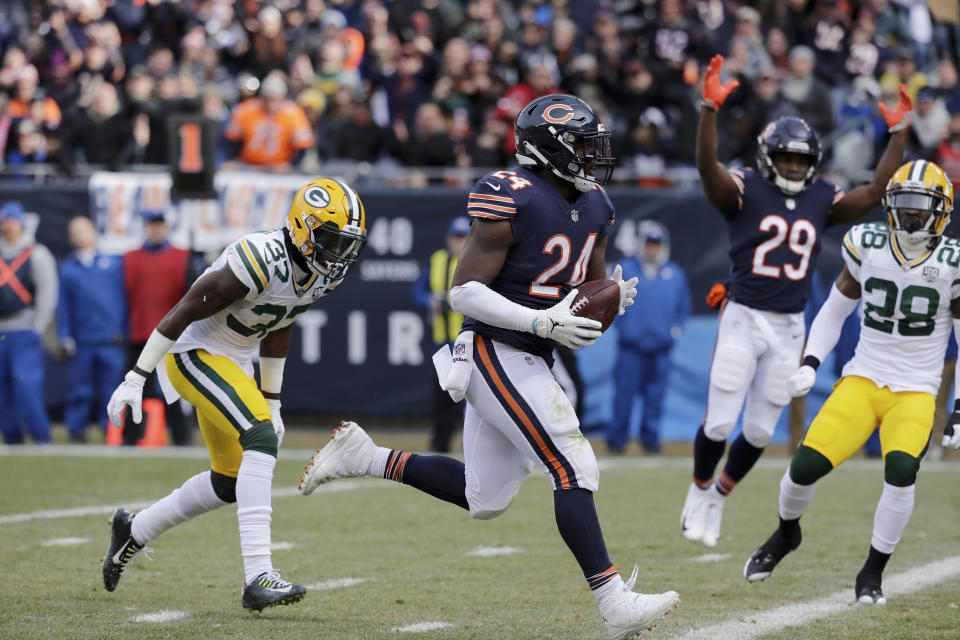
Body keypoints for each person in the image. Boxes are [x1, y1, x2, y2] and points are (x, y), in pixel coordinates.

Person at [299, 94, 681, 640]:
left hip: (532, 350)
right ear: (549, 148)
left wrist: (610, 302)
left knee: (485, 498)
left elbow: (585, 304)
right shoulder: (511, 196)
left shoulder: (596, 205)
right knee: (573, 465)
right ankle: (614, 602)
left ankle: (366, 456)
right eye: (582, 145)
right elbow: (464, 292)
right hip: (491, 348)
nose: (594, 157)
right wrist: (540, 321)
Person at [102, 178, 368, 610]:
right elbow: (183, 309)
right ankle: (259, 576)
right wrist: (136, 376)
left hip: (236, 359)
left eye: (347, 243)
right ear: (303, 229)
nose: (339, 253)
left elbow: (281, 323)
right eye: (332, 240)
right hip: (195, 351)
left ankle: (133, 530)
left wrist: (274, 401)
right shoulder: (260, 258)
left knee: (229, 481)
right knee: (260, 440)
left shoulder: (318, 274)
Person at [681, 55, 912, 549]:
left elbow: (874, 191)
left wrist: (897, 135)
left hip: (788, 326)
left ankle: (720, 495)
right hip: (743, 314)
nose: (792, 166)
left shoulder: (821, 197)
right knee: (721, 420)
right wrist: (708, 110)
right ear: (768, 156)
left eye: (801, 160)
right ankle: (699, 489)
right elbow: (706, 167)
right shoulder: (744, 188)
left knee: (762, 432)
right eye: (786, 158)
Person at [744, 160, 957, 605]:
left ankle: (871, 573)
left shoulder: (952, 262)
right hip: (864, 377)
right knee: (803, 468)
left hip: (916, 389)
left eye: (920, 207)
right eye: (904, 205)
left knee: (901, 472)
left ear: (941, 211)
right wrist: (811, 362)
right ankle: (786, 534)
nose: (911, 215)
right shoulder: (868, 244)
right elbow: (836, 310)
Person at [607, 221, 690, 455]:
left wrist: (675, 330)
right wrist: (622, 327)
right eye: (650, 243)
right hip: (631, 347)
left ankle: (650, 441)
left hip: (661, 349)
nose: (653, 248)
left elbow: (683, 307)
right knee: (624, 396)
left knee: (655, 398)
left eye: (657, 244)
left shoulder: (674, 273)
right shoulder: (626, 268)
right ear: (642, 245)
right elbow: (610, 300)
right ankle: (617, 440)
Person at [122, 210, 194, 446]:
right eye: (152, 225)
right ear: (146, 227)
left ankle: (181, 438)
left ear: (166, 227)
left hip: (172, 336)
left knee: (172, 391)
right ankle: (130, 439)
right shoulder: (131, 258)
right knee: (136, 389)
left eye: (160, 225)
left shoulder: (182, 256)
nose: (156, 229)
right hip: (140, 333)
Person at [57, 216, 126, 443]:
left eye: (83, 231)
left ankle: (112, 432)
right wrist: (65, 335)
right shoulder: (69, 270)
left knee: (112, 390)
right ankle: (76, 431)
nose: (79, 236)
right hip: (83, 340)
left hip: (111, 340)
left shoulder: (113, 264)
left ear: (93, 232)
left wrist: (124, 329)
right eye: (74, 232)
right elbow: (64, 306)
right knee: (79, 389)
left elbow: (126, 298)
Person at [0, 201, 57, 444]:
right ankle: (12, 437)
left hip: (25, 330)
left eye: (12, 220)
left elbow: (47, 290)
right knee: (2, 391)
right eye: (5, 220)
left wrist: (38, 327)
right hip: (2, 332)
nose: (8, 225)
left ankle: (41, 436)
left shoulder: (35, 253)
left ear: (21, 223)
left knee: (27, 387)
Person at [413, 215, 470, 452]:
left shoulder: (477, 263)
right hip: (442, 342)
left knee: (475, 399)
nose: (458, 242)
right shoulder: (437, 261)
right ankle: (440, 443)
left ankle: (473, 445)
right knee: (442, 397)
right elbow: (418, 292)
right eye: (455, 237)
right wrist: (430, 301)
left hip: (468, 342)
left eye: (463, 237)